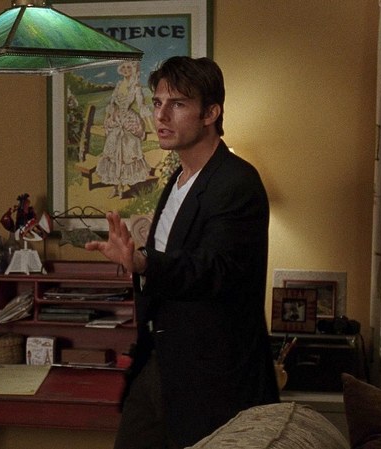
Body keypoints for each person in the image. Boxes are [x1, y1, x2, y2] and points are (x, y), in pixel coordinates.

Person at [86, 56, 279, 448]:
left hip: (213, 378)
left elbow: (214, 269)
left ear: (210, 113)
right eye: (157, 103)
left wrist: (142, 261)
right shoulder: (178, 177)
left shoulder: (237, 181)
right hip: (158, 363)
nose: (161, 115)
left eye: (177, 104)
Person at [96, 60, 153, 198]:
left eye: (129, 67)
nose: (126, 70)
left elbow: (141, 107)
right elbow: (111, 104)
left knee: (127, 155)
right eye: (124, 67)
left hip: (129, 122)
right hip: (116, 121)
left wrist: (151, 126)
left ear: (133, 69)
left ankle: (125, 187)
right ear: (121, 69)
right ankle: (116, 187)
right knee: (112, 155)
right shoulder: (119, 85)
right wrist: (108, 120)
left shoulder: (136, 87)